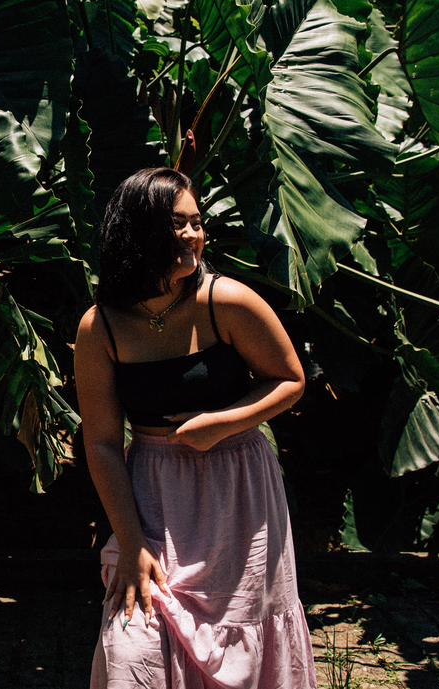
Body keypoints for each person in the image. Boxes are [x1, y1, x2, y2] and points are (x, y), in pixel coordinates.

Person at [75, 167, 316, 688]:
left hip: (236, 492)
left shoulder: (225, 300)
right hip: (153, 494)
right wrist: (131, 540)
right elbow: (100, 442)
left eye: (197, 222)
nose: (193, 235)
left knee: (244, 639)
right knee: (132, 639)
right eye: (176, 224)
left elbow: (290, 380)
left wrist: (223, 424)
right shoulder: (101, 326)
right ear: (138, 232)